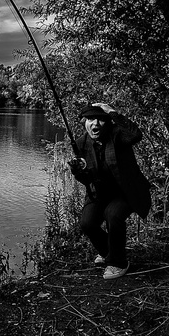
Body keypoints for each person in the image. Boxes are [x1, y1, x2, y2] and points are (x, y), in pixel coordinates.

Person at [68, 102, 152, 280]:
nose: (95, 124)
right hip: (100, 192)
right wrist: (78, 172)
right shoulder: (81, 143)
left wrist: (113, 112)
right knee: (87, 223)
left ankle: (119, 263)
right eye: (90, 119)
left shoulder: (118, 135)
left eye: (101, 119)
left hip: (126, 191)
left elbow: (136, 134)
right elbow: (86, 180)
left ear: (108, 122)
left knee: (112, 214)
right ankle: (109, 251)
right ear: (84, 122)